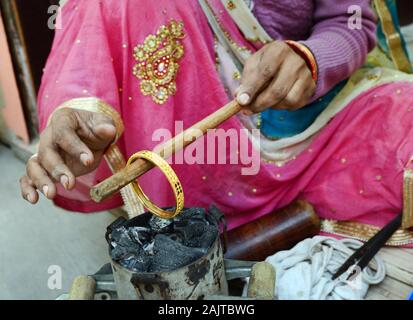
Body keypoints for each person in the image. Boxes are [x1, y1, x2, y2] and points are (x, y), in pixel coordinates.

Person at [19, 0, 413, 245]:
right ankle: (189, 226)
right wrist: (83, 114)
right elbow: (94, 23)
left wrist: (309, 59)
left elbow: (350, 24)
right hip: (189, 159)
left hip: (304, 121)